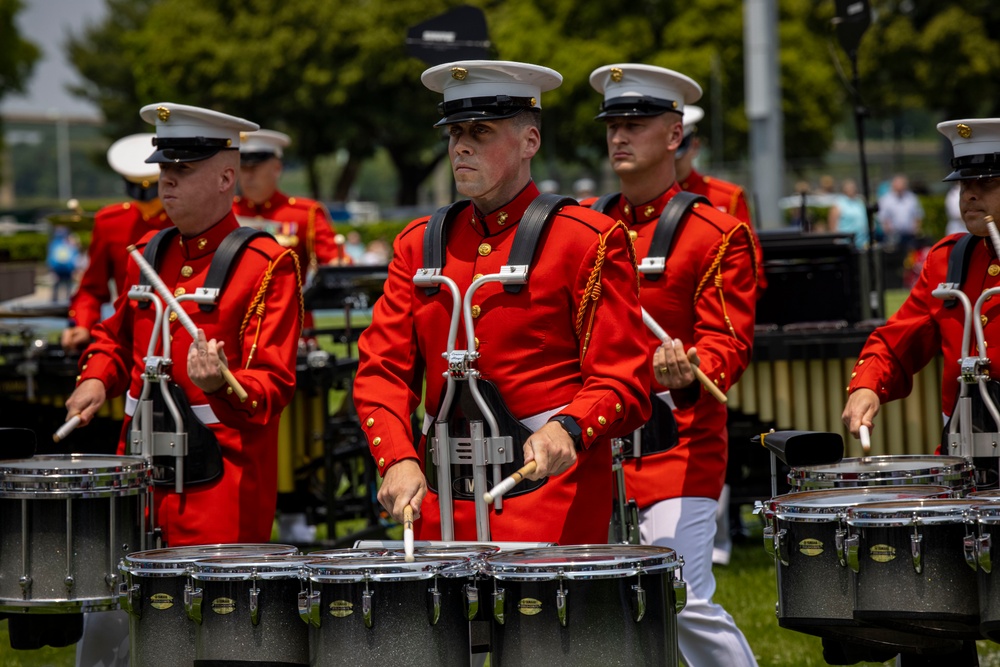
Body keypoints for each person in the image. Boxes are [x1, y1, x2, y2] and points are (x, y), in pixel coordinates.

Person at [353, 60, 651, 545]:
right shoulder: (418, 244)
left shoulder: (585, 240)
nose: (461, 146)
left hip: (548, 499)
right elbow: (380, 372)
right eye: (454, 132)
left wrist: (567, 429)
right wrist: (398, 458)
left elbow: (624, 379)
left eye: (481, 131)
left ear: (529, 142)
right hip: (440, 501)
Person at [65, 103, 301, 546]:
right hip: (139, 473)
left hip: (220, 486)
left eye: (184, 168)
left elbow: (272, 385)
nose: (166, 179)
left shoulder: (267, 264)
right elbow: (114, 339)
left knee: (210, 613)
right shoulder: (147, 254)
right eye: (164, 167)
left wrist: (221, 383)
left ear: (225, 179)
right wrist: (97, 378)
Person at [586, 63, 759, 667]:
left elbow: (728, 342)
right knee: (587, 606)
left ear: (674, 135)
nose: (619, 137)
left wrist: (691, 369)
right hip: (594, 443)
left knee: (682, 599)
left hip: (678, 446)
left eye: (635, 123)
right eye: (613, 125)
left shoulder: (717, 231)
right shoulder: (583, 226)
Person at [842, 118, 1000, 666]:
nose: (972, 193)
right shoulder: (947, 260)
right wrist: (868, 384)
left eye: (990, 182)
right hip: (964, 470)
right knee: (930, 619)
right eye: (964, 182)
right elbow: (897, 338)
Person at [61, 133, 173, 352]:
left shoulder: (191, 218)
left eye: (151, 190)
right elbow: (92, 289)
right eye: (137, 189)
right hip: (130, 338)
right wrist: (83, 324)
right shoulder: (110, 222)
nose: (146, 200)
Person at [234, 128, 346, 278]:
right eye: (243, 168)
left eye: (254, 168)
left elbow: (334, 259)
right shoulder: (225, 210)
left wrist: (338, 263)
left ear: (277, 168)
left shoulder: (305, 213)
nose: (248, 176)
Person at [877, 173, 924, 251]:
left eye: (902, 183)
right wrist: (888, 232)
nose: (900, 186)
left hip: (910, 236)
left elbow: (918, 215)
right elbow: (883, 218)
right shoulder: (886, 199)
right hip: (893, 237)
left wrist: (917, 229)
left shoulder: (912, 198)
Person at [828, 178, 870, 249]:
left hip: (862, 242)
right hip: (846, 242)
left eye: (853, 187)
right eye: (849, 188)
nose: (852, 189)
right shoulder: (839, 203)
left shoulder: (859, 202)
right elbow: (832, 224)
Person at [47, 226, 81, 303]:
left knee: (63, 288)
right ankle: (61, 303)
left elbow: (51, 257)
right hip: (63, 269)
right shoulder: (64, 243)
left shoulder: (57, 243)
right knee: (63, 288)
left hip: (62, 269)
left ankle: (58, 303)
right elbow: (74, 256)